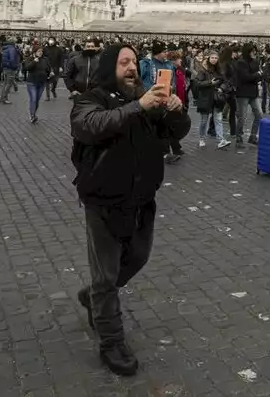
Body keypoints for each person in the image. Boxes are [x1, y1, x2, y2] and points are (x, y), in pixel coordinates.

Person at [69, 43, 189, 376]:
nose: (132, 67)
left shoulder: (148, 99)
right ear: (111, 67)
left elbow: (177, 132)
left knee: (137, 256)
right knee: (106, 277)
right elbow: (90, 127)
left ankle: (93, 295)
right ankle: (111, 342)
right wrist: (138, 106)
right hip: (103, 200)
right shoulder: (89, 99)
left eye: (134, 62)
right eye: (124, 62)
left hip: (141, 199)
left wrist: (176, 111)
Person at [191, 50, 231, 150]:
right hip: (205, 98)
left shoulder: (219, 69)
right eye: (212, 58)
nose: (214, 60)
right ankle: (201, 138)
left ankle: (221, 139)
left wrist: (221, 88)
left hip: (217, 98)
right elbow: (198, 83)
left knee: (218, 119)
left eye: (216, 58)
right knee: (204, 120)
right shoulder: (203, 70)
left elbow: (224, 81)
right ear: (209, 58)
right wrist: (210, 83)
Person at [233, 44, 263, 150]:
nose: (254, 53)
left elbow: (258, 76)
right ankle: (239, 139)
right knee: (242, 117)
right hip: (243, 93)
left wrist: (257, 75)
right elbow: (245, 77)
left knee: (259, 114)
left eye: (255, 51)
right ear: (248, 52)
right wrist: (257, 74)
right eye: (252, 51)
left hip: (253, 92)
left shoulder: (255, 62)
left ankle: (253, 136)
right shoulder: (241, 62)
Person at [23, 47, 51, 123]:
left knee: (37, 100)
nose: (40, 52)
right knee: (33, 99)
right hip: (32, 82)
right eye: (38, 51)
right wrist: (34, 62)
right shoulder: (30, 58)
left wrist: (48, 74)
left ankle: (34, 114)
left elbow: (48, 68)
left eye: (41, 51)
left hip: (42, 82)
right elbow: (27, 68)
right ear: (34, 52)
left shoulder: (45, 59)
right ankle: (32, 116)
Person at [0, 37, 20, 105]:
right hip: (10, 68)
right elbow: (12, 59)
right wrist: (15, 67)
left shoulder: (6, 48)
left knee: (6, 84)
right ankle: (4, 98)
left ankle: (2, 98)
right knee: (8, 84)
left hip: (6, 67)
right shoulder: (12, 49)